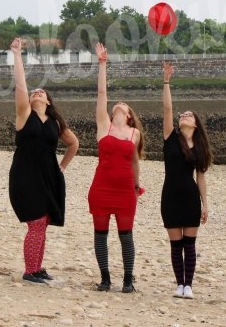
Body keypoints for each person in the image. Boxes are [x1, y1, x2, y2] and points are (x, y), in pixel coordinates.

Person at [8, 37, 80, 284]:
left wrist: (61, 167)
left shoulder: (55, 123)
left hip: (49, 175)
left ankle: (37, 268)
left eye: (42, 92)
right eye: (34, 91)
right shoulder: (23, 115)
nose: (37, 92)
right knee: (36, 222)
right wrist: (17, 55)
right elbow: (20, 85)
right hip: (25, 174)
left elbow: (74, 144)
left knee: (43, 222)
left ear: (48, 101)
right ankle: (29, 270)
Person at [88, 42, 147, 293]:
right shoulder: (105, 126)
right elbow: (102, 95)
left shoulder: (134, 133)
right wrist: (102, 63)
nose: (119, 103)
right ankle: (104, 278)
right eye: (117, 103)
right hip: (101, 187)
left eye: (123, 104)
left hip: (124, 190)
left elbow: (134, 162)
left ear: (130, 115)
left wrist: (136, 186)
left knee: (126, 235)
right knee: (101, 234)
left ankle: (127, 280)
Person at [160, 61, 213, 299]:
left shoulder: (199, 147)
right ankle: (178, 284)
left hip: (191, 197)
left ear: (196, 124)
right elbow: (168, 109)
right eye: (183, 114)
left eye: (189, 115)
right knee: (175, 244)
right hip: (170, 195)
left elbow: (200, 177)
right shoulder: (170, 137)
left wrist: (206, 204)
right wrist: (167, 81)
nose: (184, 116)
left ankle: (188, 285)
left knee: (189, 244)